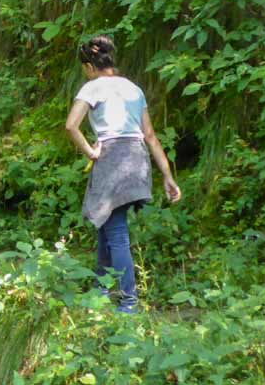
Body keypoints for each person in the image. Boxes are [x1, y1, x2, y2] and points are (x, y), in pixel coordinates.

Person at [65, 35, 181, 314]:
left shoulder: (92, 88)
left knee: (116, 234)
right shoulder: (134, 89)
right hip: (137, 160)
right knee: (107, 227)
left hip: (113, 160)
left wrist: (90, 153)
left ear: (90, 66)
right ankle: (101, 289)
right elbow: (150, 136)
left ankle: (129, 302)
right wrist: (167, 176)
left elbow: (71, 126)